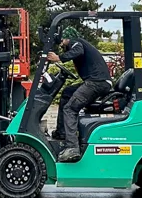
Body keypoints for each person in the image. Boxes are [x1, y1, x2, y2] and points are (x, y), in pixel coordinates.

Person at [47, 26, 113, 162]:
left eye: (62, 41)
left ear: (67, 38)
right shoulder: (78, 44)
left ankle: (72, 148)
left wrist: (59, 58)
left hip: (96, 83)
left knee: (70, 108)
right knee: (67, 93)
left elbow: (78, 50)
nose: (61, 44)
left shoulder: (76, 43)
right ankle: (62, 132)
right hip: (96, 82)